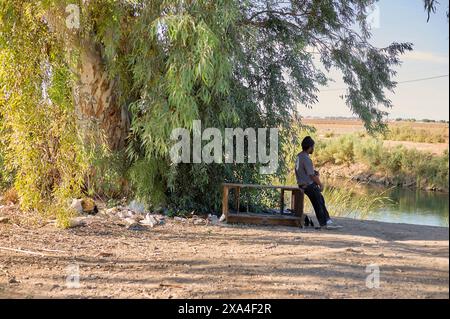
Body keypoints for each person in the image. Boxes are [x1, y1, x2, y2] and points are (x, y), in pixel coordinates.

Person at [295, 136, 343, 230]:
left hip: (302, 184)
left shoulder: (299, 156)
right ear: (309, 147)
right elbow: (312, 176)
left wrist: (313, 172)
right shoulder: (306, 158)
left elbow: (302, 171)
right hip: (308, 185)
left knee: (320, 199)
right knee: (318, 202)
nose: (313, 149)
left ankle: (327, 221)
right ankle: (324, 224)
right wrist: (320, 184)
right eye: (313, 147)